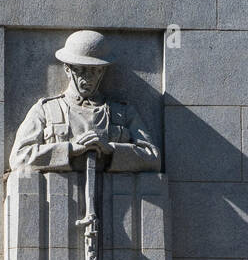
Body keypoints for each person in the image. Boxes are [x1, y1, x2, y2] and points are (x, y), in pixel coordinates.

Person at [10, 30, 160, 173]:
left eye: (94, 70)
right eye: (81, 69)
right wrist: (69, 150)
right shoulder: (46, 109)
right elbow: (19, 158)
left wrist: (112, 150)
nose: (88, 77)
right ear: (67, 69)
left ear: (103, 71)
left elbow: (152, 158)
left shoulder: (123, 112)